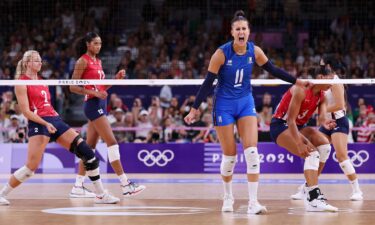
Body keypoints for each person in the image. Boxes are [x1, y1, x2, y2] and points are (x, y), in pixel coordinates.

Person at [184, 10, 310, 214]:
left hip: (245, 102)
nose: (241, 32)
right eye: (238, 29)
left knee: (252, 152)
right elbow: (208, 83)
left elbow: (274, 70)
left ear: (249, 31)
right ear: (232, 32)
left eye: (244, 29)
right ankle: (227, 196)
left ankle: (253, 203)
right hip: (223, 105)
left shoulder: (255, 51)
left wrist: (297, 81)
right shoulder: (221, 53)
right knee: (230, 156)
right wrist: (194, 109)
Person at [0, 50, 119, 205]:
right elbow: (26, 111)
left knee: (87, 153)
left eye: (41, 60)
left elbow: (47, 105)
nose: (40, 63)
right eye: (36, 60)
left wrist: (55, 120)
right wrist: (45, 123)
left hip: (55, 120)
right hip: (39, 123)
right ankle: (2, 193)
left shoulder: (43, 81)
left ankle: (101, 194)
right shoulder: (21, 82)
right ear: (27, 63)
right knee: (30, 168)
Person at [69, 32, 145, 198]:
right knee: (112, 142)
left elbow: (101, 88)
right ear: (88, 44)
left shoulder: (98, 61)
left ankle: (78, 185)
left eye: (100, 43)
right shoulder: (82, 61)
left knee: (89, 149)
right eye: (95, 43)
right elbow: (72, 87)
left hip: (100, 103)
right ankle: (125, 184)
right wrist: (94, 93)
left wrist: (115, 79)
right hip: (92, 104)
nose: (98, 46)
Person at [290, 58, 363, 201]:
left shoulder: (334, 81)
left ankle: (357, 190)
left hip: (338, 121)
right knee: (317, 153)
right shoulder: (320, 80)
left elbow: (340, 105)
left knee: (342, 157)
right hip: (326, 123)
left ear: (329, 65)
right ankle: (307, 188)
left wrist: (319, 111)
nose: (320, 65)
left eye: (323, 63)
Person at [270, 66, 338, 212]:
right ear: (320, 77)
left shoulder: (322, 96)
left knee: (325, 147)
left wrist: (325, 122)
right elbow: (290, 121)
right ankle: (313, 199)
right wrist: (300, 143)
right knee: (312, 154)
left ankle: (307, 188)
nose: (332, 83)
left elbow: (321, 118)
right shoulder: (300, 90)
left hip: (299, 127)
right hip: (281, 126)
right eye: (330, 79)